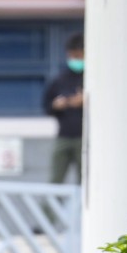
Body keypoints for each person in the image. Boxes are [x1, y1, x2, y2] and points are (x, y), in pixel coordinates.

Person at [42, 32, 85, 183]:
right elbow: (46, 107)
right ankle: (50, 207)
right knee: (55, 180)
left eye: (79, 56)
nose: (75, 60)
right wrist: (57, 105)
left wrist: (84, 102)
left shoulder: (91, 77)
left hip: (84, 138)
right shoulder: (59, 80)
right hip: (64, 136)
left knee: (84, 181)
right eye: (73, 56)